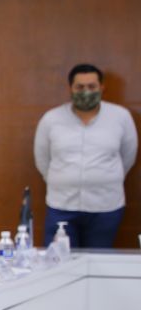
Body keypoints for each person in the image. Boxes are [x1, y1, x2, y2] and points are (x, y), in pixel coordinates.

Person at [34, 62, 138, 248]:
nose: (86, 92)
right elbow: (42, 158)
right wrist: (61, 180)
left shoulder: (120, 117)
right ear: (70, 88)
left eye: (91, 86)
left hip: (105, 206)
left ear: (101, 87)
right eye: (80, 87)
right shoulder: (51, 119)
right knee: (58, 260)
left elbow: (128, 155)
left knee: (99, 261)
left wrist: (106, 178)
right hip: (61, 205)